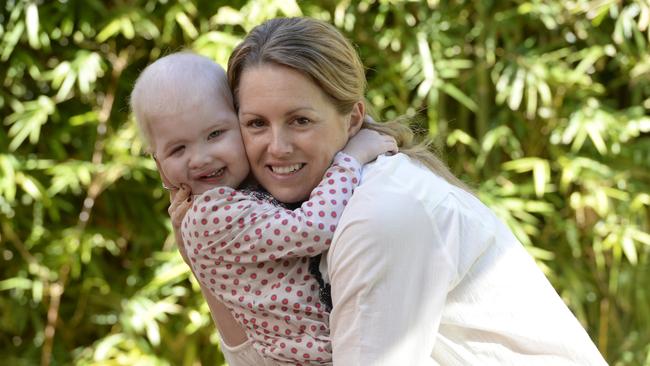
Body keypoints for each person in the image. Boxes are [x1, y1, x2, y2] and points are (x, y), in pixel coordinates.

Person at [207, 17, 607, 365]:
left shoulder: (380, 214)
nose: (277, 147)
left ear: (352, 119)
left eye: (300, 120)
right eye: (256, 124)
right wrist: (207, 260)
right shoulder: (298, 213)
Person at [129, 52, 397, 364]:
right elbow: (313, 228)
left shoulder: (244, 190)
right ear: (159, 164)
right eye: (178, 149)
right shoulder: (210, 215)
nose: (201, 158)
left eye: (215, 134)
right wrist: (351, 157)